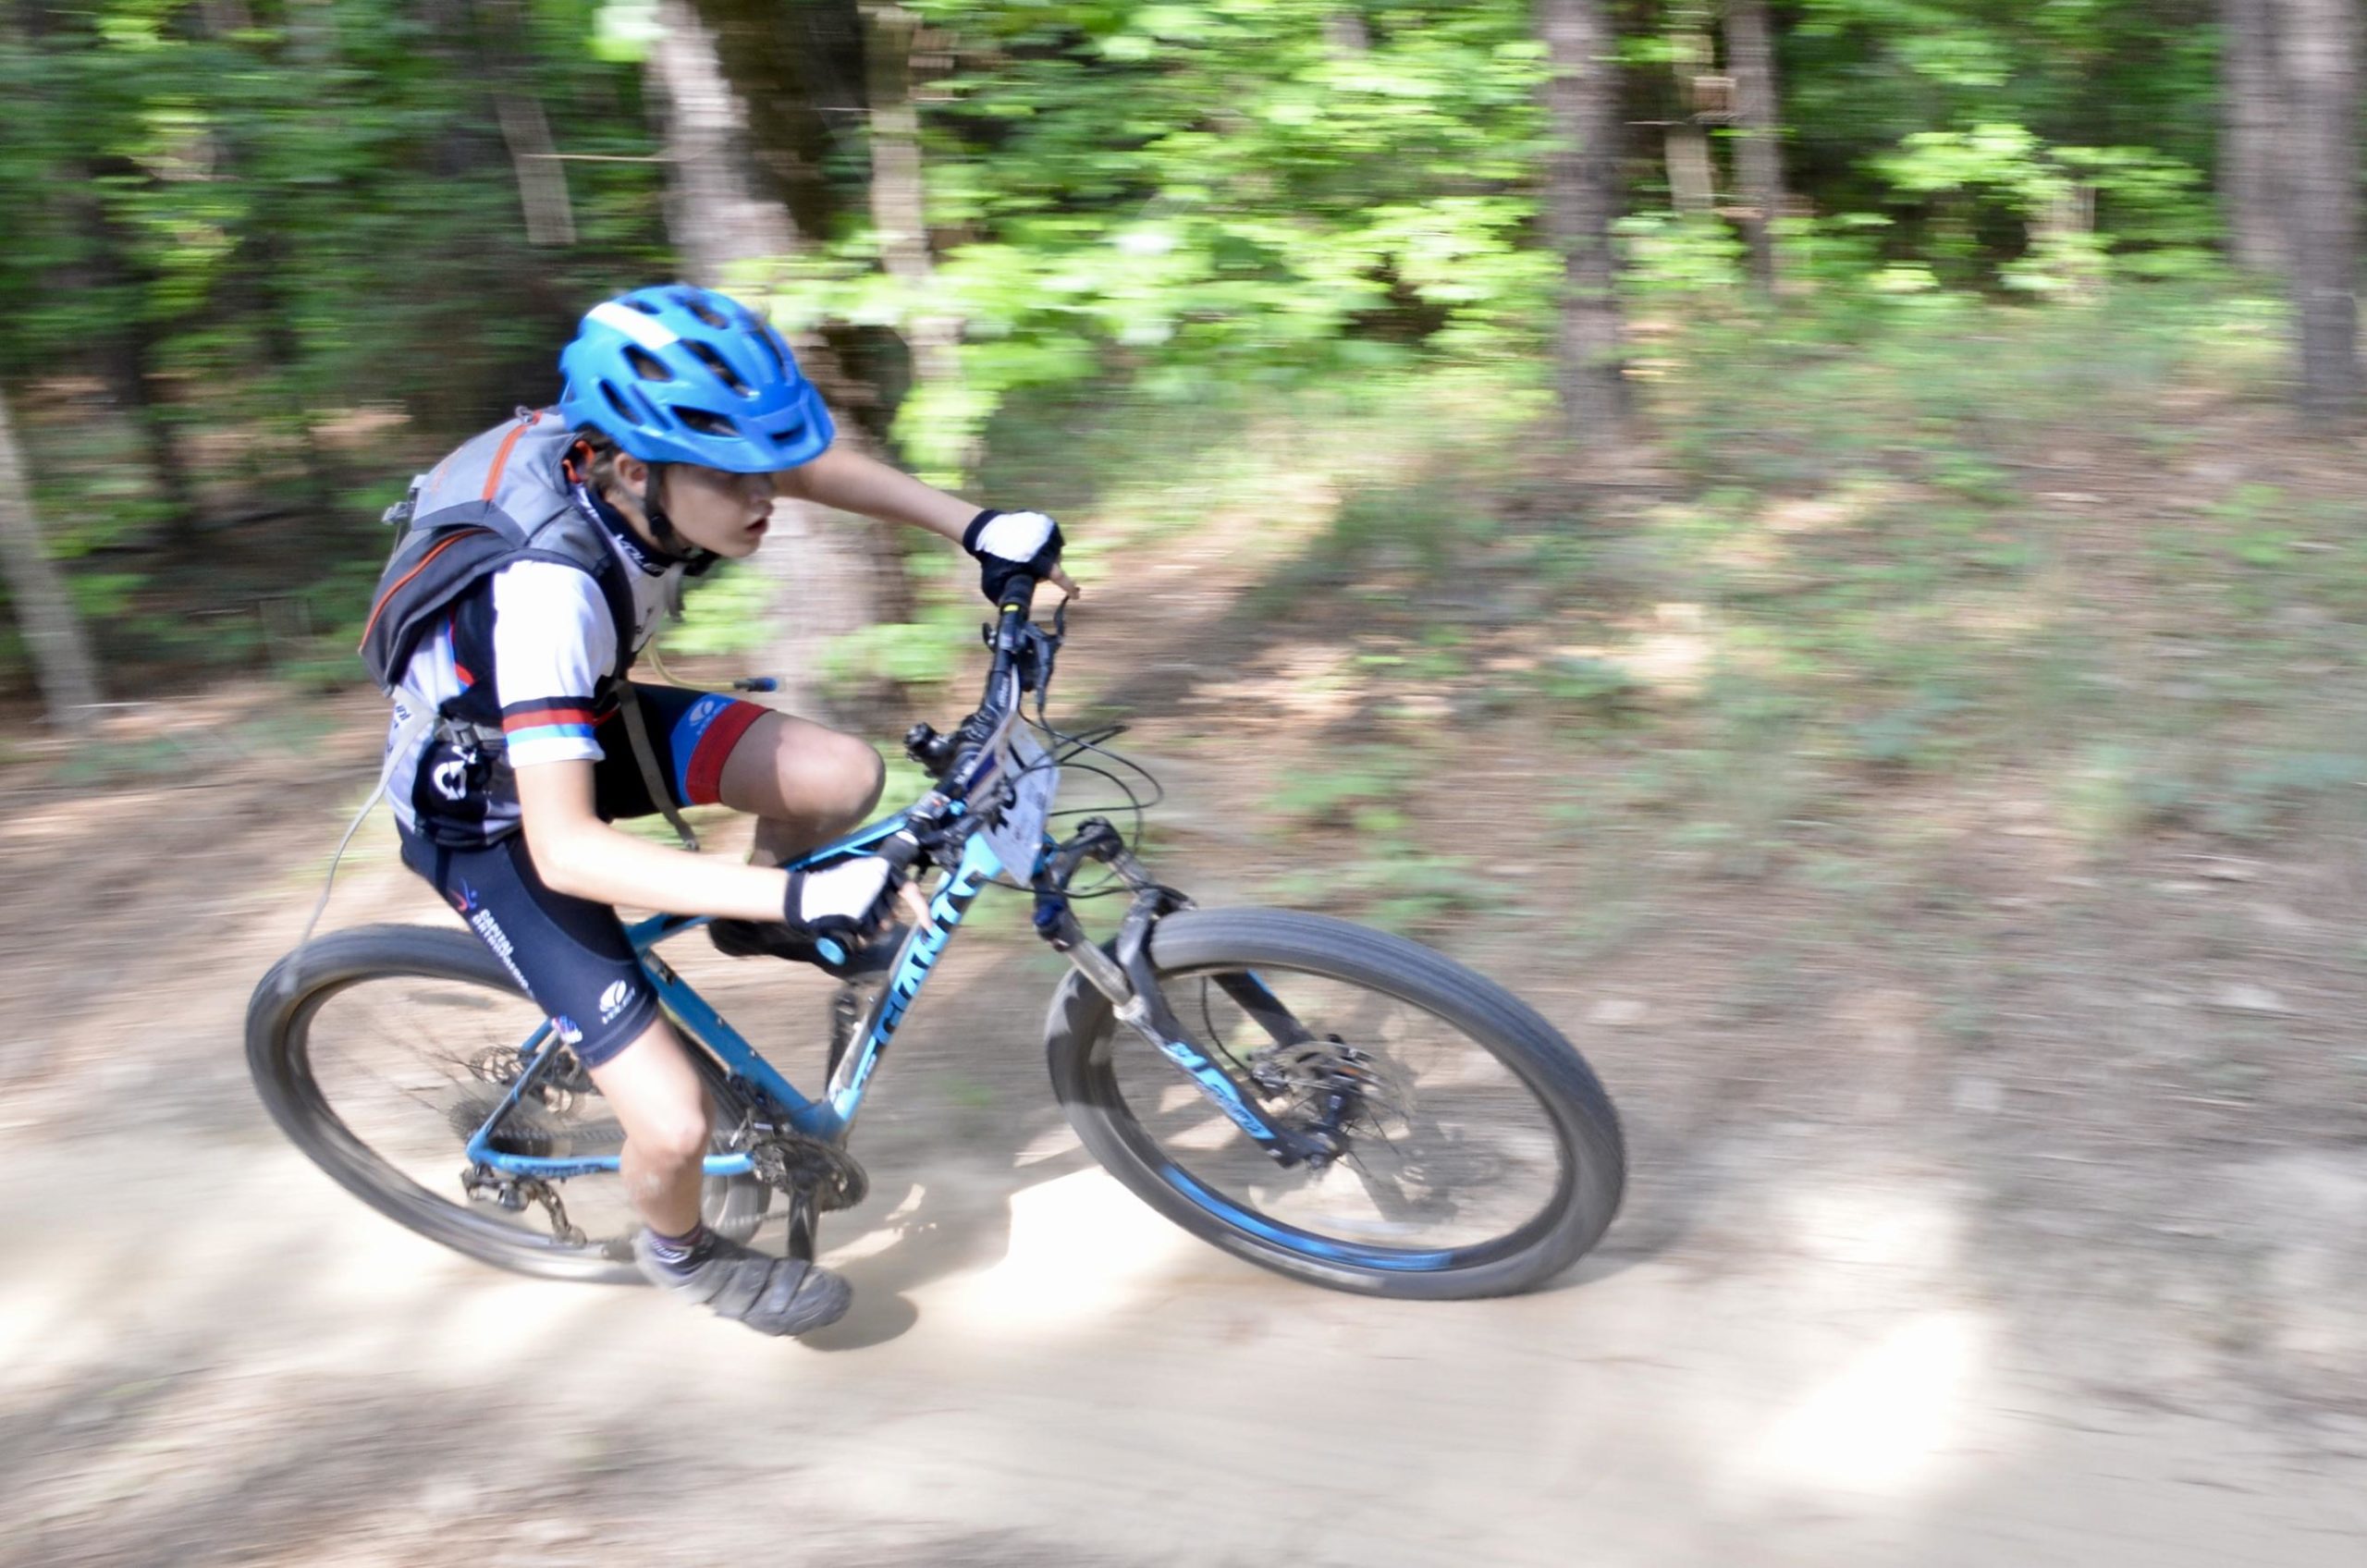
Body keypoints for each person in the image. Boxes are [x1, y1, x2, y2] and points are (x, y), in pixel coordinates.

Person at [382, 284, 1073, 1337]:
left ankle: (753, 925)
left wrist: (973, 526)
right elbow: (567, 849)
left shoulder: (640, 456)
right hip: (492, 812)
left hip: (572, 716)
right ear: (625, 468)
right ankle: (683, 1253)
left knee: (836, 774)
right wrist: (800, 884)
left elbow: (790, 459)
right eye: (732, 481)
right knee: (671, 1121)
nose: (765, 501)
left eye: (761, 471)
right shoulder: (548, 592)